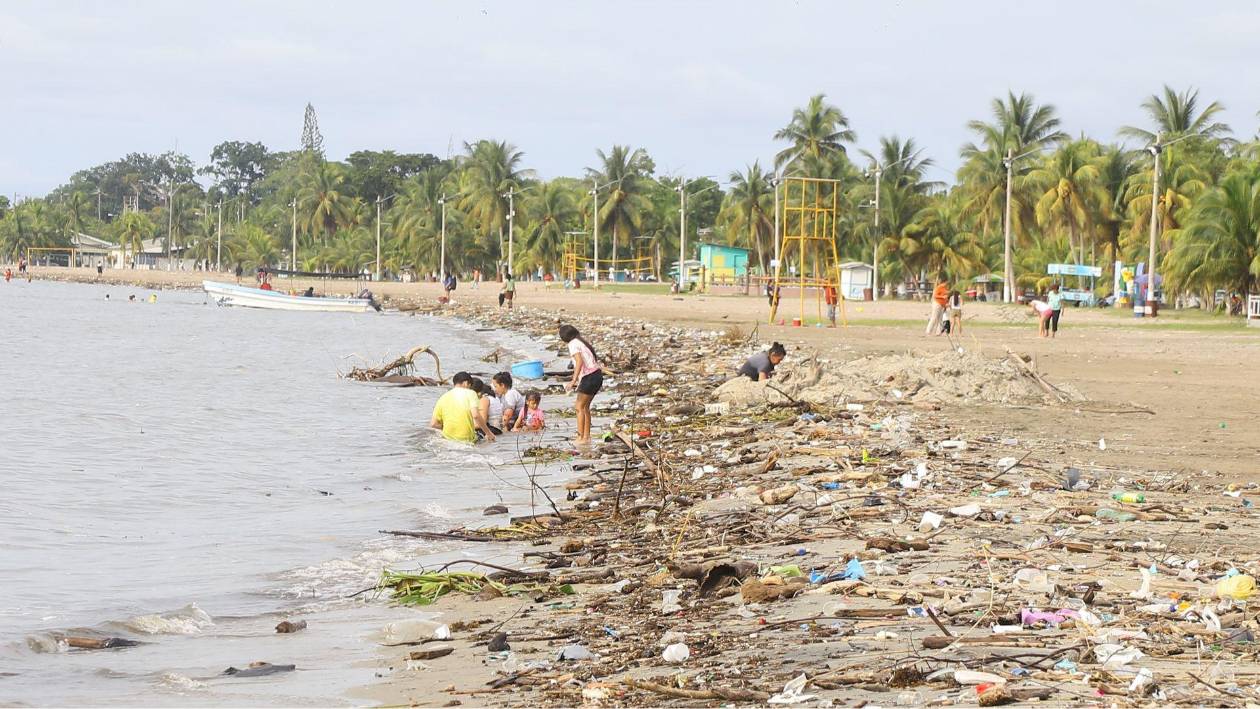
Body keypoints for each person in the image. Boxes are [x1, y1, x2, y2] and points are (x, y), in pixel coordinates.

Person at [560, 324, 602, 444]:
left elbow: (579, 361)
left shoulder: (573, 344)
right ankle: (586, 437)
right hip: (597, 375)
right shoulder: (580, 341)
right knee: (585, 407)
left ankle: (580, 437)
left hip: (590, 377)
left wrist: (573, 381)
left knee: (579, 407)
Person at [429, 372, 486, 444]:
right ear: (466, 383)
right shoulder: (471, 393)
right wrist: (489, 433)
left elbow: (433, 424)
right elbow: (476, 415)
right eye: (469, 386)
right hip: (466, 440)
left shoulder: (443, 397)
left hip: (447, 440)